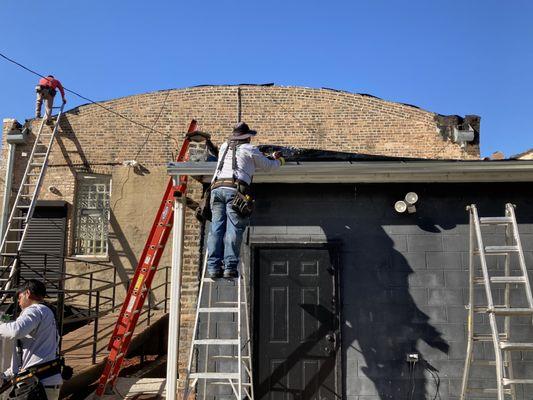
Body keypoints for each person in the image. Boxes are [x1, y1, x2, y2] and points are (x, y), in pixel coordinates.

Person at [207, 122, 285, 279]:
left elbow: (242, 162)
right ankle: (229, 267)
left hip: (216, 189)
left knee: (216, 228)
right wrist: (279, 160)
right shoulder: (250, 149)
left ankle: (213, 267)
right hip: (235, 191)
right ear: (247, 137)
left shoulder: (224, 147)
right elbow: (268, 167)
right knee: (234, 229)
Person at [0, 280, 62, 400]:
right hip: (42, 383)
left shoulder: (35, 310)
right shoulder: (48, 313)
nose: (18, 302)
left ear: (27, 293)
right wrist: (7, 374)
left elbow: (16, 330)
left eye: (19, 297)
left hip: (38, 385)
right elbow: (27, 355)